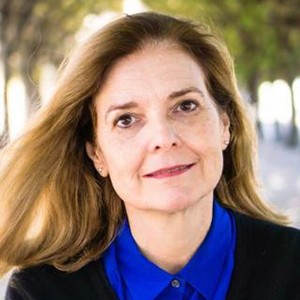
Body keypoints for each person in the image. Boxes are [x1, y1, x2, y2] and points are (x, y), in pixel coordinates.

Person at [1, 11, 299, 300]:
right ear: (97, 154)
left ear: (224, 124)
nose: (163, 139)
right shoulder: (40, 291)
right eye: (126, 119)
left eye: (185, 106)